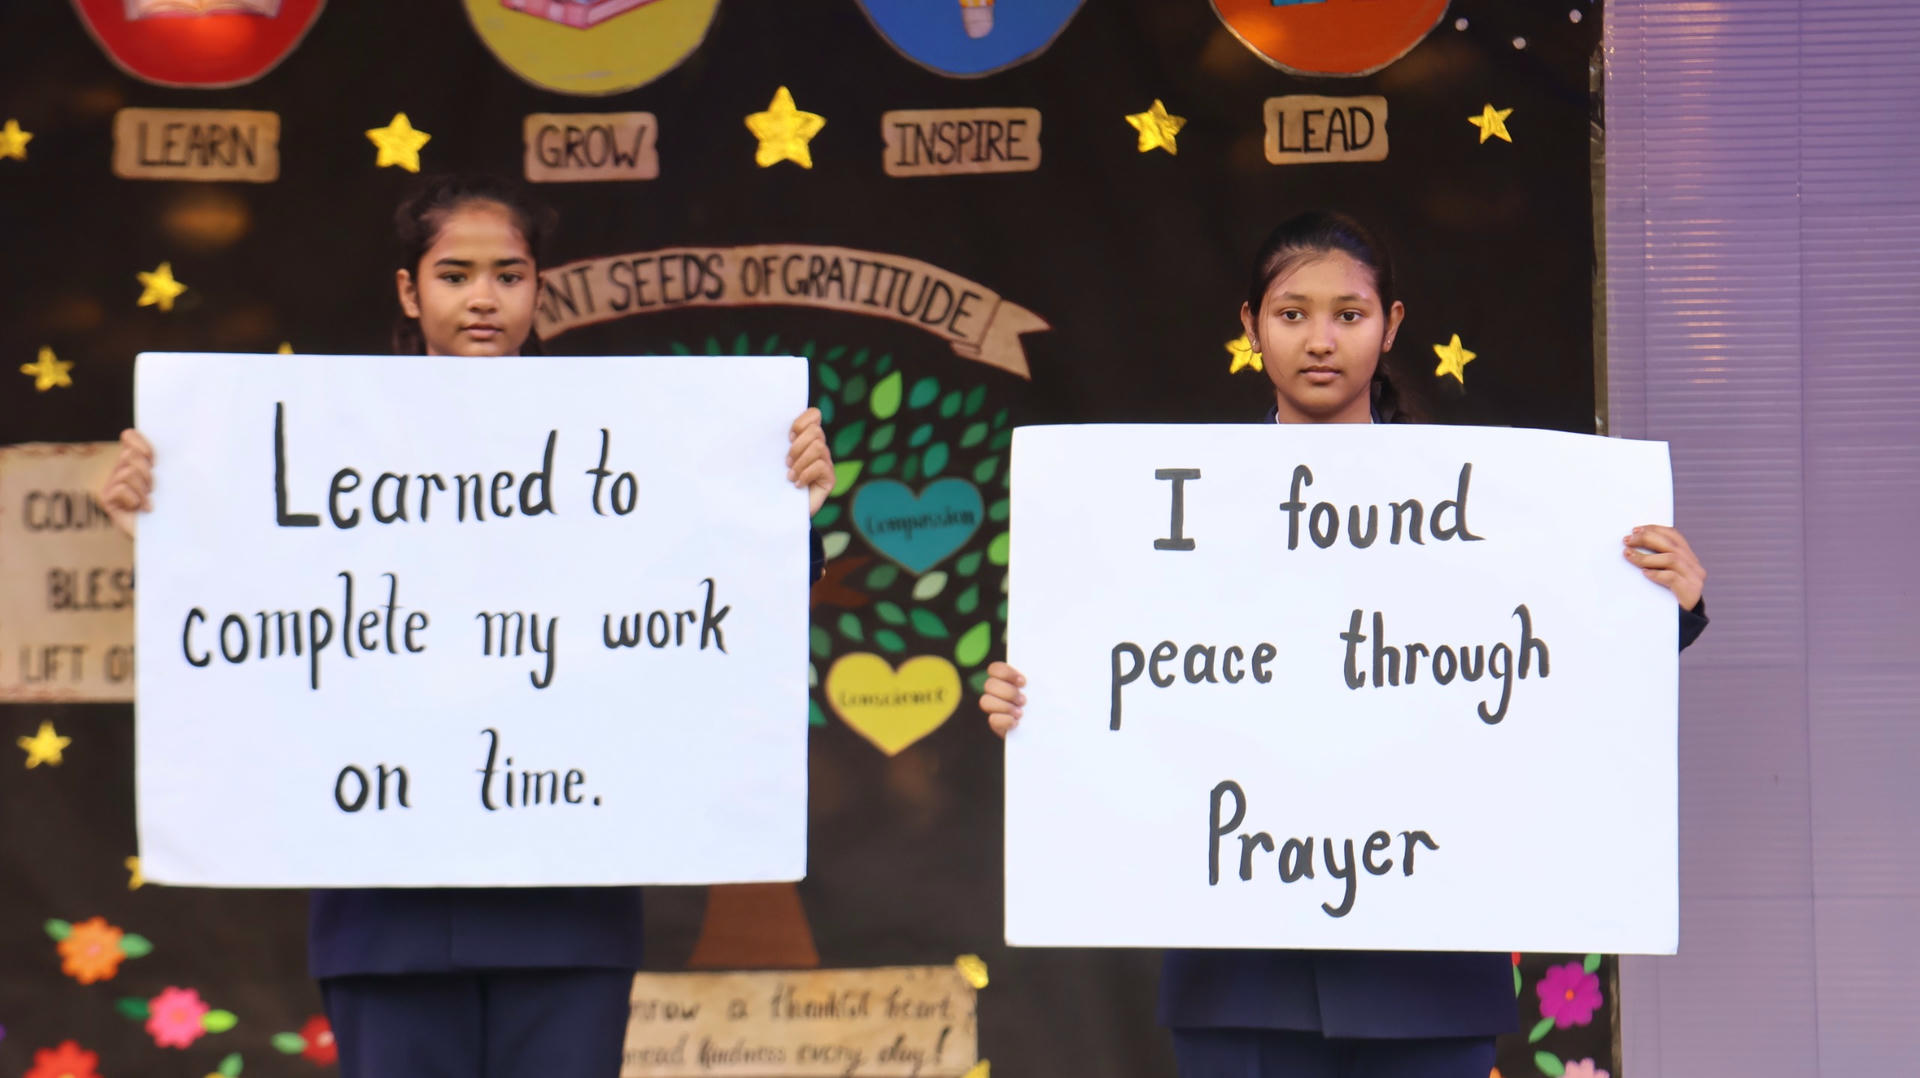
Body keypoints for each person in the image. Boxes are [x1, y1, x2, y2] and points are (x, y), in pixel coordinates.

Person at [99, 173, 837, 1078]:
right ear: (410, 291)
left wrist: (784, 518)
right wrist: (160, 531)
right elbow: (258, 609)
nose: (483, 298)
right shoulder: (330, 438)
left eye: (508, 275)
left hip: (567, 897)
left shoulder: (630, 442)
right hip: (386, 907)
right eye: (454, 275)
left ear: (538, 288)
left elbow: (705, 611)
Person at [979, 211, 1708, 1078]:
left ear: (1390, 325)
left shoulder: (1486, 511)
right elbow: (1121, 677)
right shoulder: (1173, 513)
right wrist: (1039, 705)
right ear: (1251, 326)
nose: (1320, 340)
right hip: (1241, 982)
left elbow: (1553, 663)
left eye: (1349, 315)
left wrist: (1669, 606)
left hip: (1430, 973)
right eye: (1292, 314)